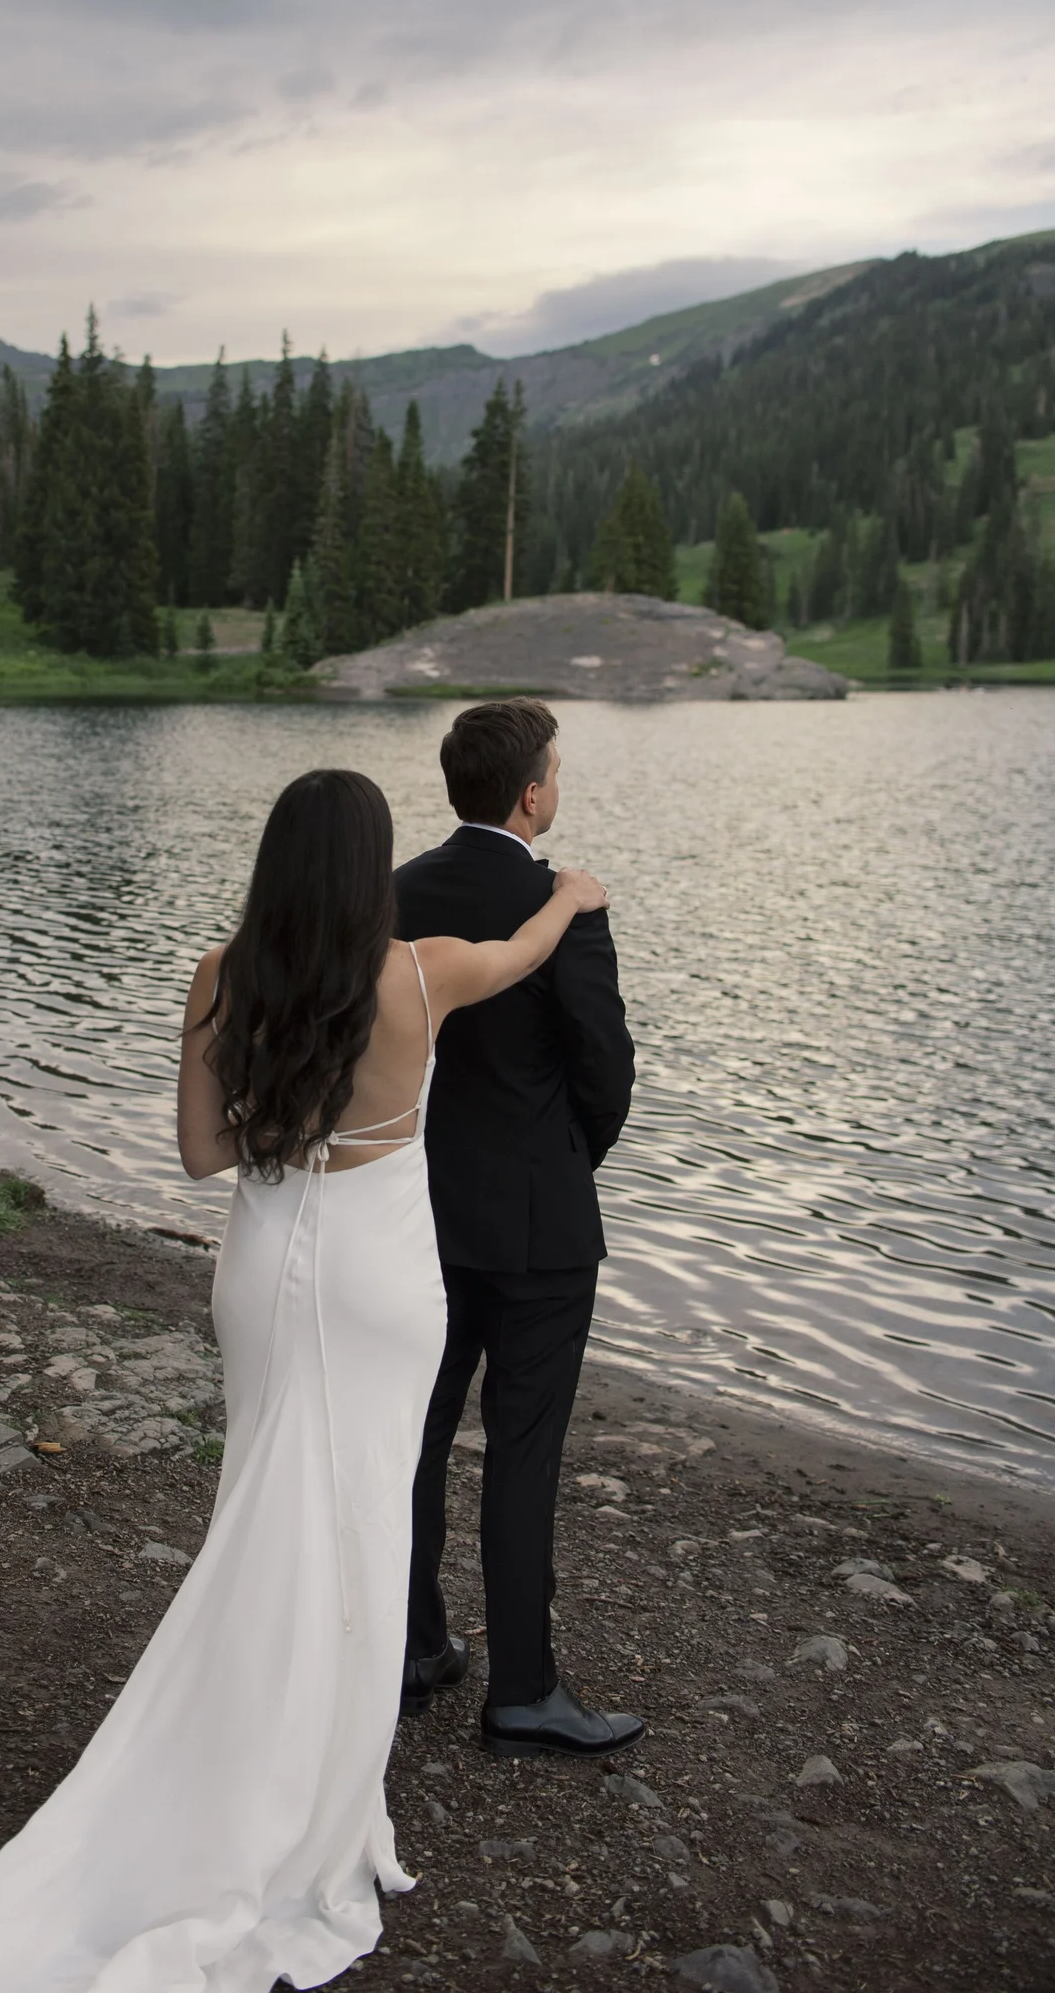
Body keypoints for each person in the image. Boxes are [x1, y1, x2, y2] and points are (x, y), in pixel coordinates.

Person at [0, 766, 609, 1993]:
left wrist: (286, 1129)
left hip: (264, 1264)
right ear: (369, 869)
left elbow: (201, 1155)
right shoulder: (422, 974)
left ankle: (247, 1723)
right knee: (359, 1507)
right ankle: (318, 1770)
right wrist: (569, 895)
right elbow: (525, 952)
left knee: (264, 1494)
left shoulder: (220, 974)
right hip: (380, 1280)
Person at [395, 700, 643, 1759]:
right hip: (541, 1225)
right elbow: (604, 1067)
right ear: (533, 793)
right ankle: (524, 1691)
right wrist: (566, 1160)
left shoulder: (397, 890)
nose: (559, 785)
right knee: (523, 1450)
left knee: (416, 1435)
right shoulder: (560, 902)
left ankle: (414, 1648)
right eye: (557, 771)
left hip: (418, 1212)